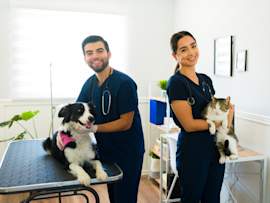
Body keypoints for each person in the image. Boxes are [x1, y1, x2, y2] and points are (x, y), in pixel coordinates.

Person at [57, 35, 145, 203]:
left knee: (125, 198)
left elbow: (126, 123)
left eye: (99, 51)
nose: (95, 56)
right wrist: (63, 136)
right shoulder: (89, 84)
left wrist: (95, 129)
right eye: (89, 53)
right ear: (85, 58)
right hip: (106, 150)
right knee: (113, 196)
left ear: (109, 53)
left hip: (128, 152)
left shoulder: (125, 83)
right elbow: (75, 115)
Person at [166, 31, 234, 203]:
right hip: (193, 153)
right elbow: (189, 125)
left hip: (215, 149)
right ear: (175, 55)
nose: (191, 53)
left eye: (193, 46)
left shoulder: (205, 80)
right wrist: (220, 121)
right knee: (192, 199)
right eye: (183, 50)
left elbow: (217, 116)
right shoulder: (176, 83)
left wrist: (228, 115)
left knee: (212, 199)